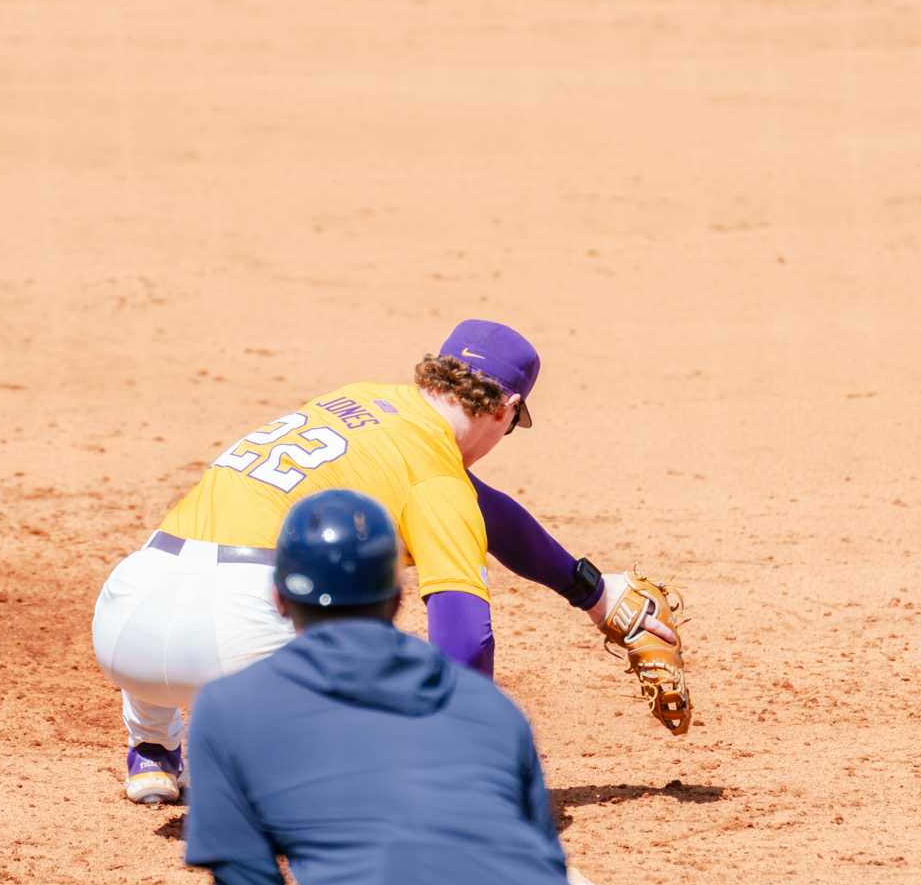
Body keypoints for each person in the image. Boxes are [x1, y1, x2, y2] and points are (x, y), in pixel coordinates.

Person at [92, 318, 689, 806]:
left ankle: (151, 749)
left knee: (247, 560)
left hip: (123, 620)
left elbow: (489, 513)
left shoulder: (360, 402)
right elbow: (465, 642)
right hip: (238, 649)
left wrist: (589, 590)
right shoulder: (436, 478)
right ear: (505, 409)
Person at [185, 489, 650, 885]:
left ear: (279, 598)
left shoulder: (232, 709)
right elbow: (540, 866)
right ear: (397, 598)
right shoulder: (490, 707)